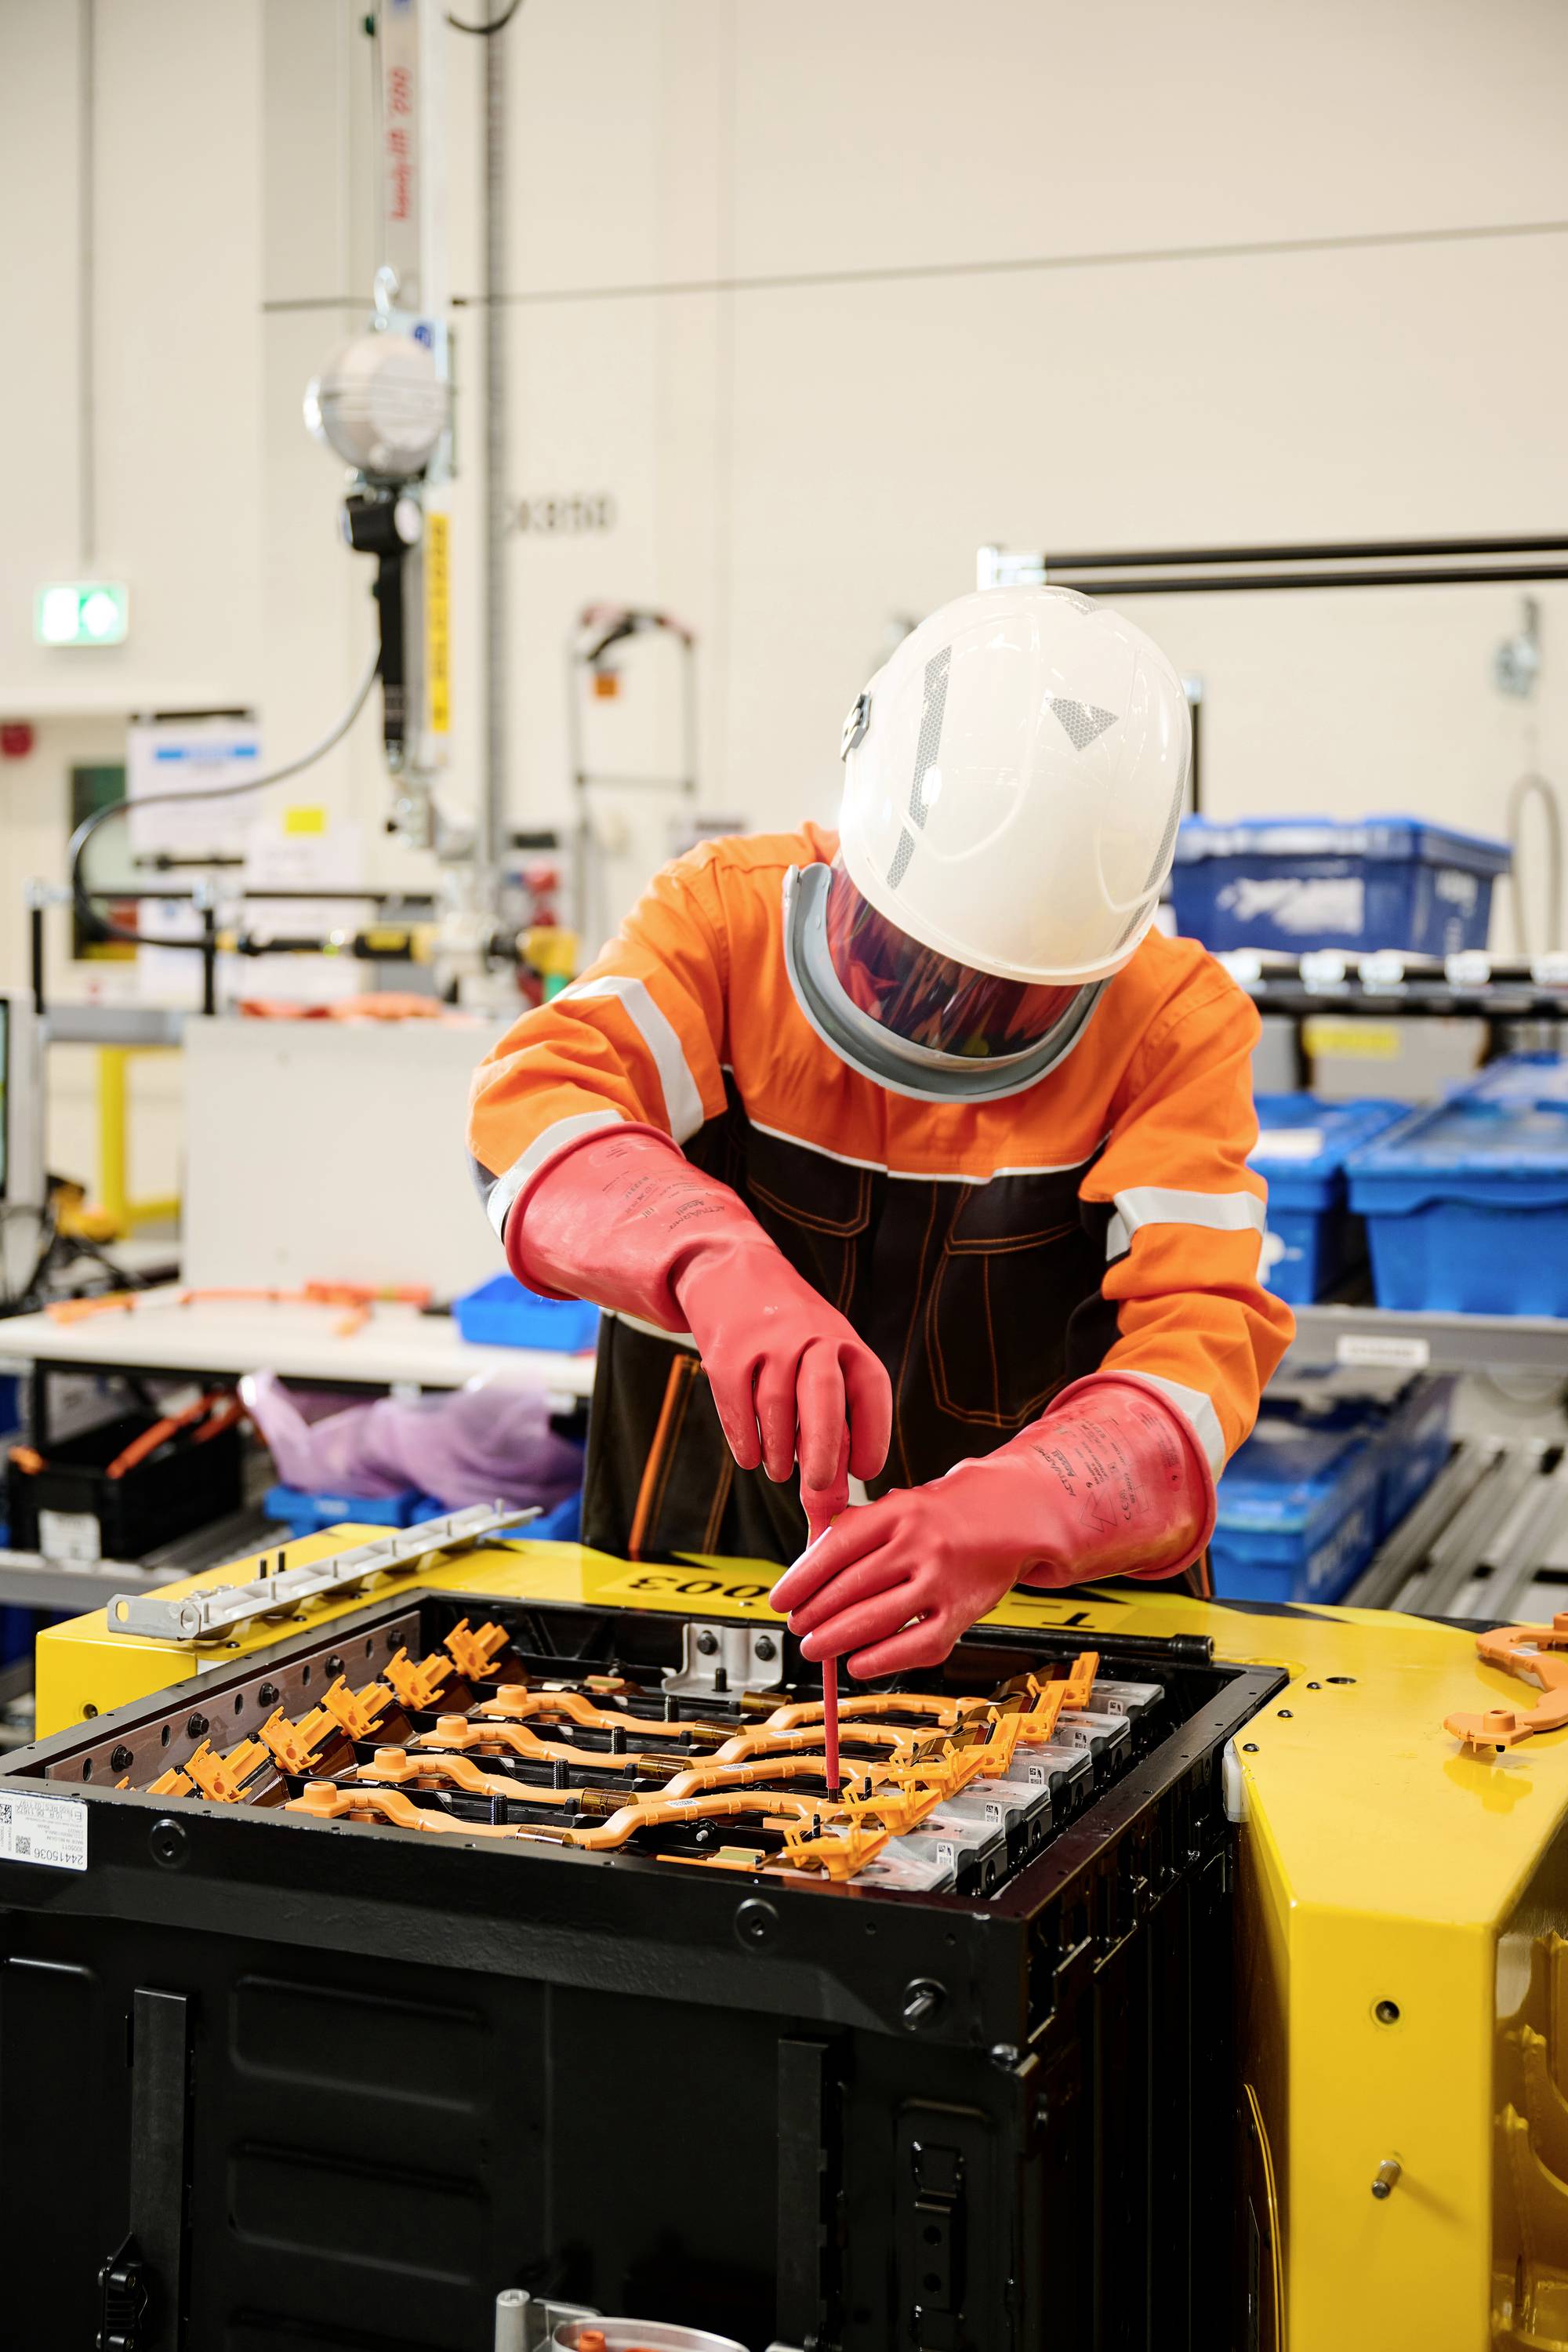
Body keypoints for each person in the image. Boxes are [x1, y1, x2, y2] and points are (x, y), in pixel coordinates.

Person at [469, 586, 1294, 1678]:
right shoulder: (723, 927)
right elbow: (528, 1117)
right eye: (909, 964)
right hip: (699, 1614)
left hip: (1047, 1638)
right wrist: (710, 1260)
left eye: (1010, 997)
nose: (948, 1020)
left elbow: (1200, 1352)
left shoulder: (1172, 1025)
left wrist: (1011, 1509)